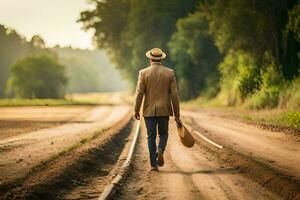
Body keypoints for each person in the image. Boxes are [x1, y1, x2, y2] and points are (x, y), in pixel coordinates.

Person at [134, 47, 182, 171]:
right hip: (164, 110)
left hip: (149, 111)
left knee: (151, 136)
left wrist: (136, 110)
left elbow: (139, 93)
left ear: (150, 59)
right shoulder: (169, 73)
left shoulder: (143, 73)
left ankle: (154, 165)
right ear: (161, 59)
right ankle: (160, 149)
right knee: (164, 134)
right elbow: (174, 95)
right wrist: (177, 114)